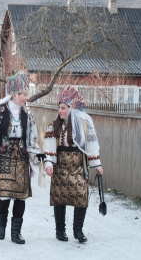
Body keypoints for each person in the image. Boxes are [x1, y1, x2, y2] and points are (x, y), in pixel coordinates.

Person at [0, 71, 45, 244]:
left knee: (20, 195)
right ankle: (1, 224)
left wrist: (36, 155)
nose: (27, 98)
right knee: (4, 193)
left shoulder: (28, 114)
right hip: (4, 155)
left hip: (21, 157)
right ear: (15, 95)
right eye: (24, 95)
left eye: (26, 94)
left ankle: (16, 232)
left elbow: (32, 136)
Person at [42, 86, 104, 243]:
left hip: (78, 167)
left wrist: (97, 164)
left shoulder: (83, 125)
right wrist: (48, 163)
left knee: (81, 196)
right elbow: (48, 145)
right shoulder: (54, 126)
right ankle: (60, 230)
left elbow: (91, 145)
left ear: (71, 108)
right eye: (59, 108)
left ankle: (78, 231)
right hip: (60, 167)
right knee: (60, 198)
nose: (60, 111)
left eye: (63, 108)